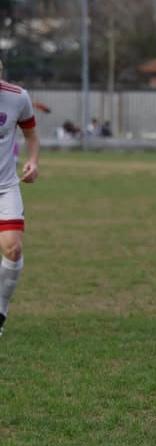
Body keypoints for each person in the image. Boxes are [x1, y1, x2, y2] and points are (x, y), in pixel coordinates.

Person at [0, 58, 40, 336]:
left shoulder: (17, 97)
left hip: (5, 187)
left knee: (13, 249)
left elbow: (31, 135)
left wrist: (33, 161)